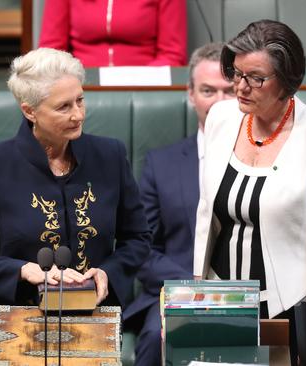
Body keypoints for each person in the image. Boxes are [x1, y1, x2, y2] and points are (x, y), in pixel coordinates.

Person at [0, 47, 151, 359]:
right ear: (30, 111)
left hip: (95, 323)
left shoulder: (110, 155)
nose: (78, 114)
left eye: (80, 100)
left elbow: (138, 238)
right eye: (63, 107)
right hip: (19, 328)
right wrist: (23, 270)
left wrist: (108, 272)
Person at [194, 20, 306, 322]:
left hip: (285, 311)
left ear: (286, 81)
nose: (240, 87)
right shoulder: (221, 118)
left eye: (255, 78)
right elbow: (206, 219)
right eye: (237, 73)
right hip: (216, 300)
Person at [122, 42, 235, 366]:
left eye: (228, 91)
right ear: (190, 94)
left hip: (250, 294)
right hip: (175, 293)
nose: (218, 102)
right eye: (208, 91)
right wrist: (193, 288)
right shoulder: (162, 164)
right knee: (154, 339)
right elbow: (141, 249)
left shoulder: (267, 162)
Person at [39, 0, 187, 67]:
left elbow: (172, 55)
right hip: (78, 87)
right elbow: (51, 52)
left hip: (145, 89)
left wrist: (141, 80)